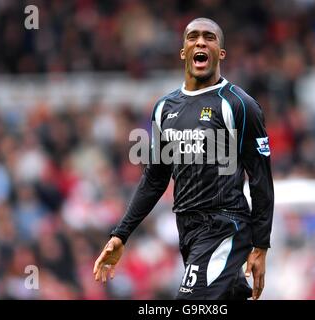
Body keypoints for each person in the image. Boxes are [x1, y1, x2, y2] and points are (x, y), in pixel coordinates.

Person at [93, 17, 274, 300]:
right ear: (183, 51)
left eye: (209, 38)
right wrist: (121, 234)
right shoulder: (165, 108)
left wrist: (261, 245)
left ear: (220, 54)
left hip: (225, 225)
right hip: (187, 229)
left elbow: (261, 178)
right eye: (193, 37)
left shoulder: (238, 105)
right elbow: (154, 179)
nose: (200, 42)